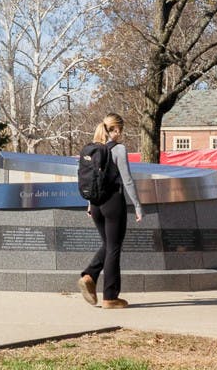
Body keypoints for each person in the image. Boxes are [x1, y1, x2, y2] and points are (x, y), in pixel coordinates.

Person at [77, 113, 143, 309]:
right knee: (114, 247)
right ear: (115, 130)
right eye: (119, 131)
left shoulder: (93, 149)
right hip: (113, 202)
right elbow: (127, 180)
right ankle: (110, 297)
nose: (120, 135)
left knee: (108, 244)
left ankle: (90, 275)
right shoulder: (118, 149)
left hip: (96, 204)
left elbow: (93, 179)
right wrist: (138, 206)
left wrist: (90, 203)